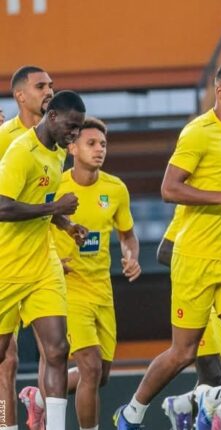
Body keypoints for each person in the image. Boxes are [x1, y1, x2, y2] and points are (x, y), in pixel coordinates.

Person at [113, 61, 221, 430]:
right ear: (220, 92)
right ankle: (132, 411)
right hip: (195, 258)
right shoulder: (197, 133)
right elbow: (168, 189)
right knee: (183, 352)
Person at [19, 116, 141, 430]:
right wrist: (50, 260)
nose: (99, 149)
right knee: (90, 367)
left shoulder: (116, 189)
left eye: (103, 144)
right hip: (67, 288)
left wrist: (131, 256)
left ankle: (40, 399)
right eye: (91, 143)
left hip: (102, 290)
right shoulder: (55, 185)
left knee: (101, 374)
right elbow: (32, 226)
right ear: (72, 148)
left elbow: (127, 235)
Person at [0, 90, 89, 430]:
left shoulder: (57, 152)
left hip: (42, 265)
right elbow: (2, 206)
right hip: (7, 266)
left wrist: (66, 224)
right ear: (52, 117)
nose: (74, 134)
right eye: (71, 126)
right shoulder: (20, 152)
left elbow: (39, 201)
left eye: (79, 128)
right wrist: (55, 207)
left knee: (57, 349)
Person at [0, 64, 54, 430]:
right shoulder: (6, 138)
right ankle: (6, 424)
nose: (49, 91)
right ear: (20, 95)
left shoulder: (59, 135)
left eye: (51, 85)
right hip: (7, 257)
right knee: (8, 360)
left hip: (44, 256)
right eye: (41, 86)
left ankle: (45, 414)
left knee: (55, 349)